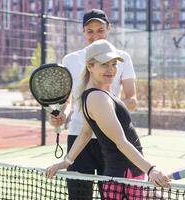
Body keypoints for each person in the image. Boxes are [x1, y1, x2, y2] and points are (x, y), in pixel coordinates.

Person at [46, 39, 171, 199]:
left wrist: (65, 162)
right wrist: (151, 169)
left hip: (125, 176)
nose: (111, 69)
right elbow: (121, 142)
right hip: (124, 178)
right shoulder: (98, 98)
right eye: (104, 64)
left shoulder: (95, 94)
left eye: (114, 64)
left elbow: (85, 134)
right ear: (90, 66)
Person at [48, 9, 137, 199]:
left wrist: (109, 109)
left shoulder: (123, 58)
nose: (95, 35)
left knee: (113, 196)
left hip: (111, 141)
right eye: (90, 31)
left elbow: (132, 99)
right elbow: (68, 100)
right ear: (83, 32)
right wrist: (62, 114)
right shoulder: (70, 60)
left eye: (100, 30)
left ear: (109, 29)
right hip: (78, 138)